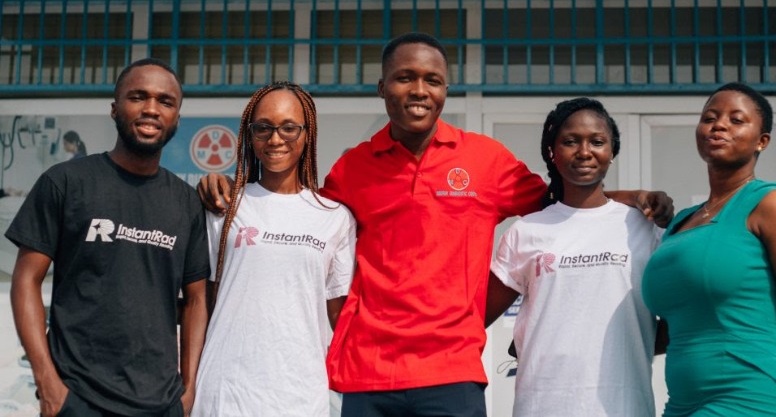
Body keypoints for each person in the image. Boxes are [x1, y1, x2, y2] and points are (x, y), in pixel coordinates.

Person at [198, 32, 672, 417]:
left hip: (452, 372)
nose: (419, 90)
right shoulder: (353, 168)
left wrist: (627, 198)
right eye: (404, 78)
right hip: (368, 373)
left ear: (446, 90)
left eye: (433, 80)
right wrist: (229, 187)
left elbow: (562, 200)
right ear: (382, 88)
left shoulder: (485, 160)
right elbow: (298, 214)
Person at [7, 58, 210, 417]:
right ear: (115, 108)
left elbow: (196, 300)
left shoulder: (186, 203)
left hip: (162, 403)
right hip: (77, 398)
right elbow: (26, 279)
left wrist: (189, 389)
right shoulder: (65, 182)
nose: (151, 109)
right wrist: (47, 383)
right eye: (138, 97)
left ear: (177, 118)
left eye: (165, 101)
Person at [641, 82, 776, 416]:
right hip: (683, 402)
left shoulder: (771, 205)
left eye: (736, 120)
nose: (719, 125)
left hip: (756, 393)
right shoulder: (680, 222)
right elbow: (675, 325)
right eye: (710, 118)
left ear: (762, 141)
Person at [485, 97, 664, 417]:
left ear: (612, 151)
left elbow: (683, 321)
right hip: (542, 407)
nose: (584, 151)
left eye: (597, 141)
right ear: (552, 152)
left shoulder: (643, 227)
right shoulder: (527, 231)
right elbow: (475, 317)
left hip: (625, 407)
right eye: (570, 141)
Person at [190, 81, 356, 416]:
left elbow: (339, 315)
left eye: (289, 128)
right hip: (225, 394)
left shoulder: (334, 218)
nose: (275, 139)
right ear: (250, 135)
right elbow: (201, 301)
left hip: (300, 396)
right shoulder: (224, 206)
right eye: (263, 128)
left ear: (307, 134)